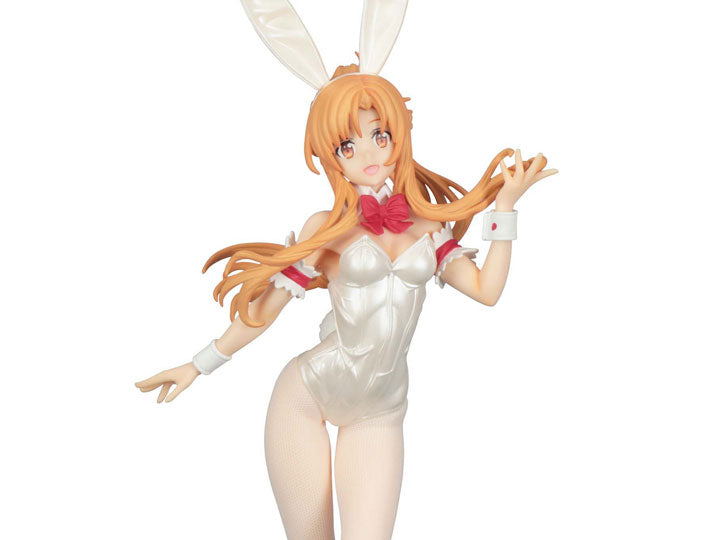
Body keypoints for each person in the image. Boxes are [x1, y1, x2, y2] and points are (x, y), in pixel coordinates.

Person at [136, 3, 556, 539]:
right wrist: (199, 364)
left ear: (398, 134)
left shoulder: (426, 224)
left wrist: (506, 211)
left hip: (380, 410)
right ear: (329, 155)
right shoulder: (327, 228)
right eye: (347, 144)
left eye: (380, 135)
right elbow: (267, 310)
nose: (368, 153)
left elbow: (486, 290)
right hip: (306, 397)